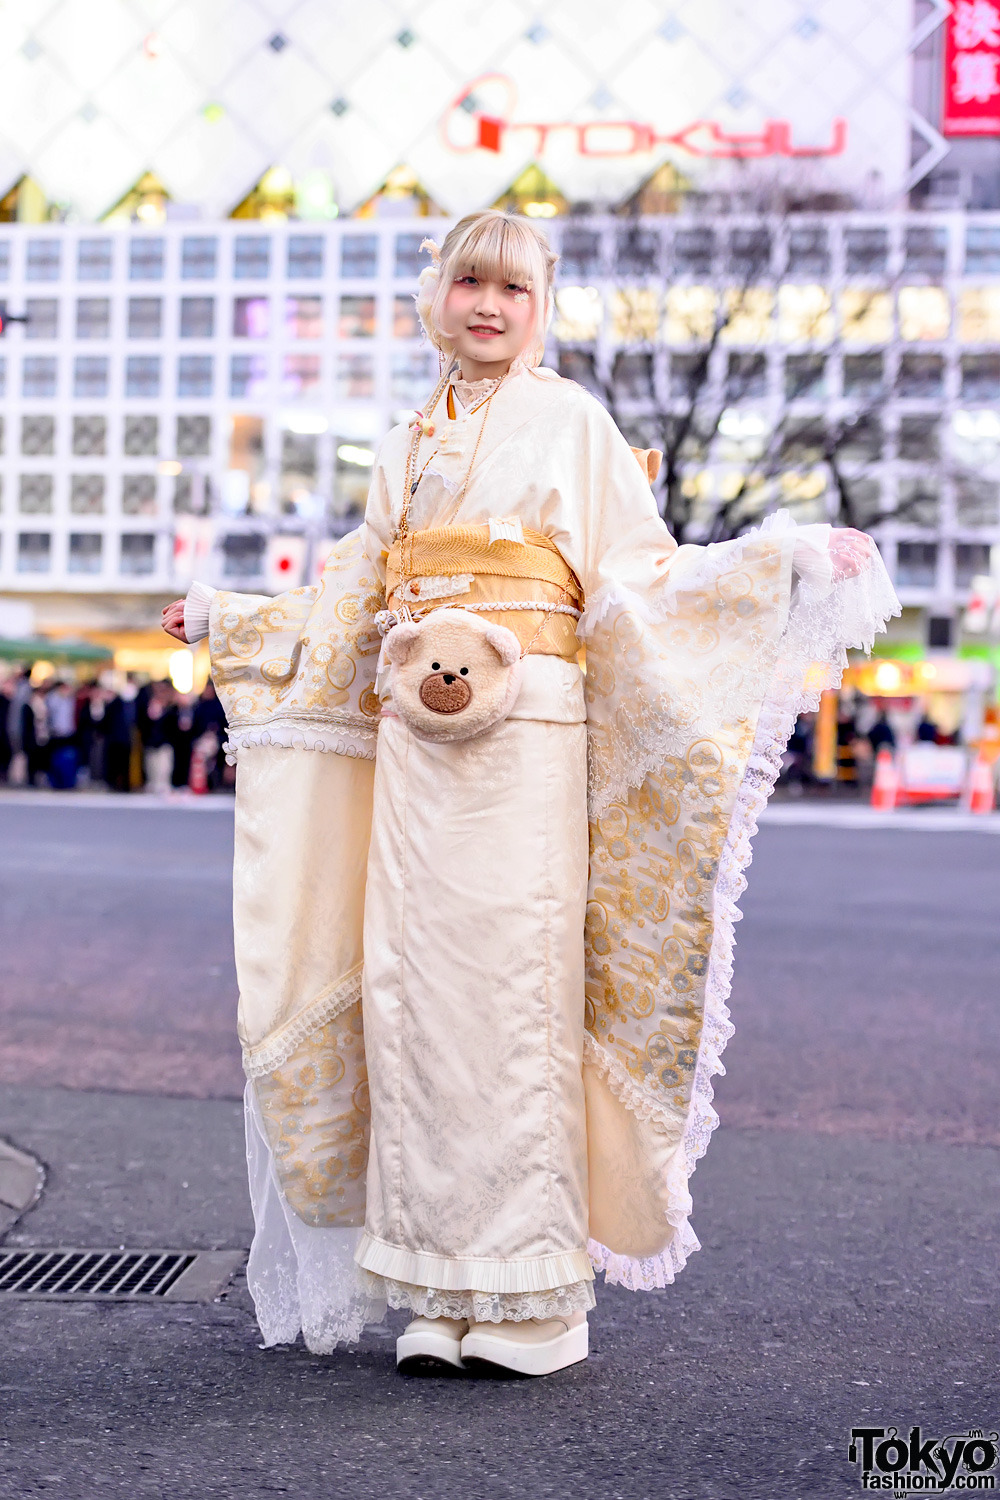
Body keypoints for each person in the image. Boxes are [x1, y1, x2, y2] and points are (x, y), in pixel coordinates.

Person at [162, 210, 898, 1378]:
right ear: (434, 297)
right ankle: (435, 1285)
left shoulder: (574, 423)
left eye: (513, 286)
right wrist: (231, 619)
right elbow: (355, 595)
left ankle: (535, 1298)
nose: (488, 305)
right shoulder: (405, 443)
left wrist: (782, 558)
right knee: (414, 996)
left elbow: (644, 578)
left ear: (542, 302)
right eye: (468, 282)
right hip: (418, 746)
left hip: (526, 743)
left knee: (510, 995)